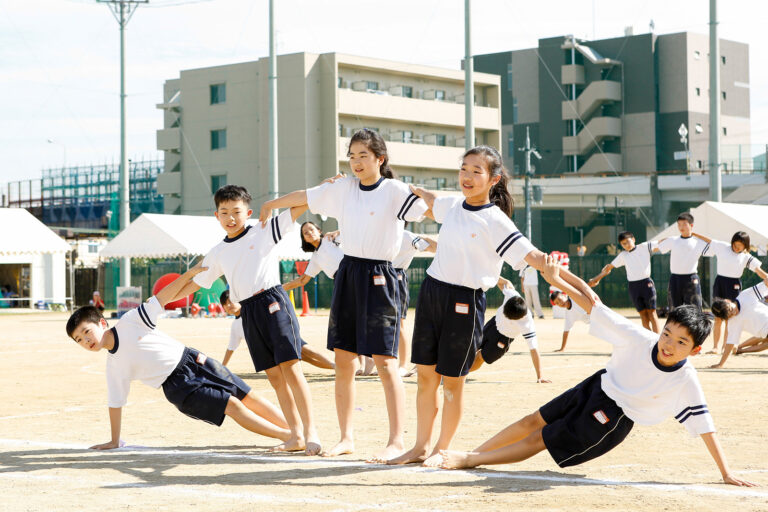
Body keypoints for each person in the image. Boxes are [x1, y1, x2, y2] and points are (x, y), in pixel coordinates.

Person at [438, 255, 756, 488]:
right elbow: (593, 303)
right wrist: (556, 277)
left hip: (614, 417)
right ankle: (472, 454)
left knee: (540, 438)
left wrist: (726, 472)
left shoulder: (685, 379)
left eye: (680, 342)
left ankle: (470, 460)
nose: (668, 345)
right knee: (531, 420)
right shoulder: (639, 338)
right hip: (597, 386)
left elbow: (705, 426)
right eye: (667, 334)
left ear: (695, 350)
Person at [387, 145, 595, 467]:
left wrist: (580, 288)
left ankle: (443, 450)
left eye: (476, 171)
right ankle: (419, 447)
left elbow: (536, 258)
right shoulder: (453, 205)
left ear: (493, 179)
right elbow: (429, 200)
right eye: (464, 169)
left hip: (464, 301)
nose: (467, 177)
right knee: (426, 377)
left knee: (453, 381)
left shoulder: (496, 221)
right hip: (431, 293)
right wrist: (401, 186)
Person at [257, 129, 429, 462]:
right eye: (351, 156)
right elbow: (304, 196)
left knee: (385, 362)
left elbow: (432, 210)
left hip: (382, 275)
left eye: (363, 155)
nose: (356, 162)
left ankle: (396, 440)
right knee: (345, 362)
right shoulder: (343, 189)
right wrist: (270, 204)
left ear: (380, 158)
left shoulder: (395, 191)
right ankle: (346, 437)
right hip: (349, 274)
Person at [65, 264, 293, 450]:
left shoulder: (131, 320)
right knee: (231, 404)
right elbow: (116, 403)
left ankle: (297, 431)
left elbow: (162, 297)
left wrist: (189, 274)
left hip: (192, 359)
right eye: (79, 340)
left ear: (102, 323)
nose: (87, 341)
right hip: (179, 387)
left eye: (87, 332)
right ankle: (288, 436)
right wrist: (115, 441)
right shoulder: (114, 366)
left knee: (245, 394)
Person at [165, 185, 321, 455]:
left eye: (236, 212)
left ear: (248, 212)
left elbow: (301, 204)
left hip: (273, 302)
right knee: (274, 376)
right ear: (216, 216)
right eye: (224, 212)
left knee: (291, 369)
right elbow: (197, 283)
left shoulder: (263, 229)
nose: (231, 218)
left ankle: (311, 433)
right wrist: (162, 300)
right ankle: (295, 435)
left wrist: (273, 204)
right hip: (247, 311)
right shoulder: (217, 252)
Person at [219, 289, 334, 370]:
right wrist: (222, 368)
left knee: (306, 349)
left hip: (281, 335)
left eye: (230, 302)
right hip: (273, 348)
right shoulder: (235, 325)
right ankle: (335, 368)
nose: (229, 306)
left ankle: (336, 365)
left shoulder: (254, 308)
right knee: (304, 358)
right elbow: (231, 348)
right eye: (225, 304)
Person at [693, 231, 768, 354]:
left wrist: (766, 278)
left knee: (730, 317)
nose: (736, 247)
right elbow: (709, 240)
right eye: (735, 244)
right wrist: (695, 234)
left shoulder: (746, 257)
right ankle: (715, 347)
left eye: (739, 246)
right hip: (720, 282)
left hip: (734, 285)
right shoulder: (723, 247)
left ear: (745, 246)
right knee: (718, 317)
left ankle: (724, 347)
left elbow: (758, 270)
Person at [469, 277, 551, 383]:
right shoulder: (511, 295)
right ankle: (453, 371)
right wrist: (490, 274)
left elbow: (534, 349)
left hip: (503, 339)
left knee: (480, 357)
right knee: (470, 348)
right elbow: (505, 282)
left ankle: (460, 375)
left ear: (519, 318)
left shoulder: (527, 323)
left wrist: (540, 376)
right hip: (492, 325)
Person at [588, 231, 660, 332]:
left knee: (652, 313)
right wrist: (596, 279)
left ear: (633, 239)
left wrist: (681, 237)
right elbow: (609, 267)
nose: (626, 245)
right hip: (633, 286)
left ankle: (658, 341)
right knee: (643, 315)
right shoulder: (623, 255)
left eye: (628, 241)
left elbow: (662, 243)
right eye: (623, 244)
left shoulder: (644, 247)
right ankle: (650, 341)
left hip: (646, 283)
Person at [391, 230, 437, 377]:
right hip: (379, 275)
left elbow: (434, 248)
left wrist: (426, 237)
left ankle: (403, 365)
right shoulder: (380, 230)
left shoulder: (408, 236)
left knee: (399, 323)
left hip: (396, 277)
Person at [709, 278, 768, 368]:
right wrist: (720, 364)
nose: (733, 313)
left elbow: (765, 284)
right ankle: (740, 350)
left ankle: (740, 349)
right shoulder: (733, 323)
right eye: (729, 315)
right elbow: (730, 344)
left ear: (727, 301)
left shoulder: (745, 295)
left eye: (730, 309)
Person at [657, 212, 709, 310]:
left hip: (691, 278)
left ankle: (694, 326)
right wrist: (665, 238)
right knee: (675, 309)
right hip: (675, 278)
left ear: (691, 225)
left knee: (694, 309)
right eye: (679, 224)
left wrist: (697, 235)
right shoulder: (673, 240)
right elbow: (658, 245)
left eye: (684, 224)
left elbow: (712, 245)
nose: (681, 227)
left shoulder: (698, 242)